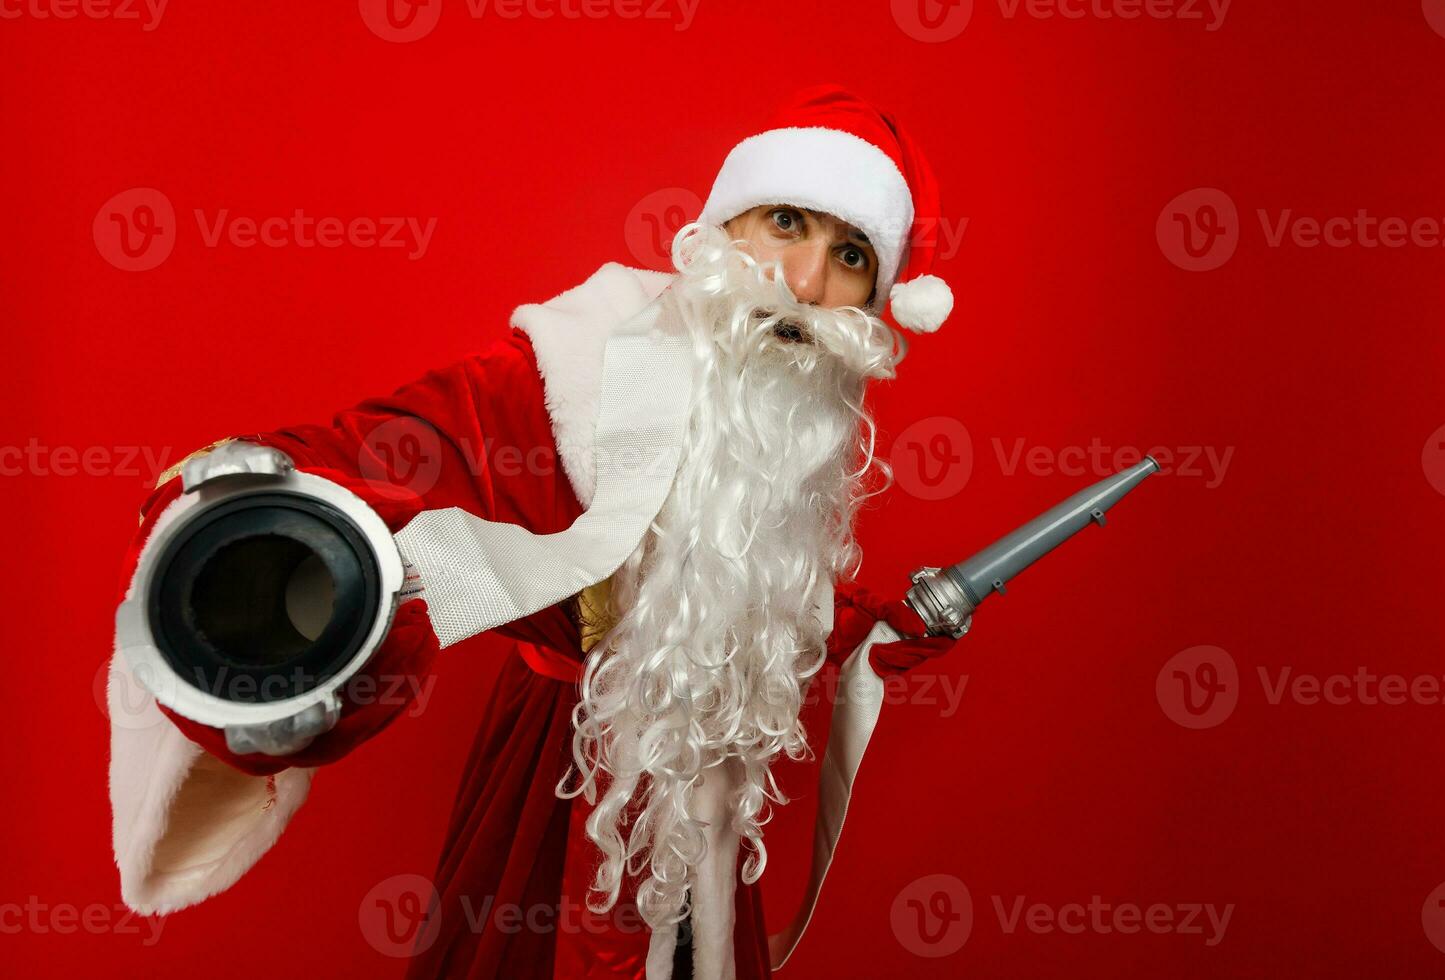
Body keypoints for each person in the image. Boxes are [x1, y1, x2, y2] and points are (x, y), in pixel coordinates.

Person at [108, 84, 961, 980]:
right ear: (723, 225)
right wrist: (245, 504)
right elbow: (374, 455)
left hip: (700, 823)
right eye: (786, 222)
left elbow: (756, 598)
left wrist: (876, 629)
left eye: (850, 255)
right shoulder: (572, 365)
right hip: (557, 787)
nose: (806, 283)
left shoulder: (793, 424)